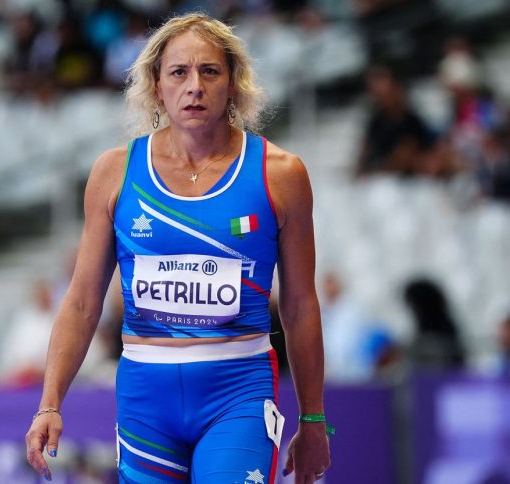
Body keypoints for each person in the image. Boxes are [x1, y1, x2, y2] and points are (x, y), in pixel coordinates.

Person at [25, 13, 330, 483]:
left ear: (233, 83)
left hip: (238, 393)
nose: (195, 86)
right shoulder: (114, 173)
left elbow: (300, 306)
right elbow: (83, 301)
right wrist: (50, 403)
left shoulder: (280, 174)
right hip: (146, 400)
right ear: (156, 84)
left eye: (210, 71)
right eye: (179, 72)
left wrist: (312, 420)